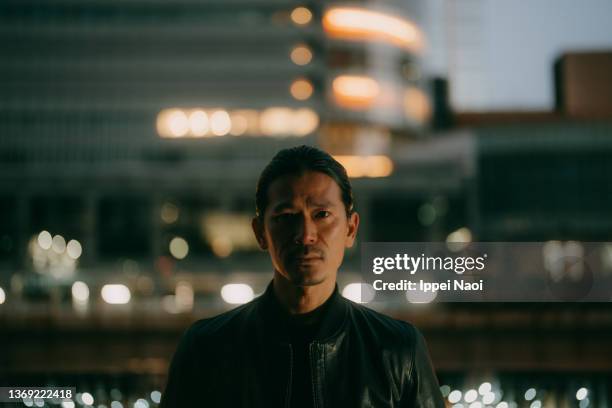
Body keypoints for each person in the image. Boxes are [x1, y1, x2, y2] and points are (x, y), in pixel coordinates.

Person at [160, 145, 444, 408]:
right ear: (261, 233)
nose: (305, 235)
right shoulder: (207, 348)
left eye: (322, 214)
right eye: (286, 216)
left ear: (350, 229)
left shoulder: (397, 350)